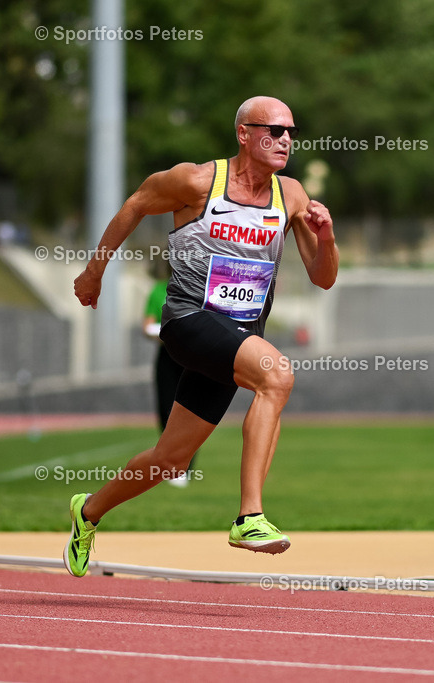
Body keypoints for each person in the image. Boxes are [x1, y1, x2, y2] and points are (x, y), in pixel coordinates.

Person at [66, 96, 338, 577]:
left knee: (170, 460)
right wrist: (94, 272)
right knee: (277, 376)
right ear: (243, 134)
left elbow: (323, 277)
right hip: (189, 320)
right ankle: (249, 517)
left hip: (236, 337)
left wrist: (328, 238)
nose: (284, 140)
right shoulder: (196, 181)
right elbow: (134, 205)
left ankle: (87, 512)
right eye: (273, 131)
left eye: (290, 132)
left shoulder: (291, 196)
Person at [142, 260, 195, 487]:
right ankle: (172, 463)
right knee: (165, 409)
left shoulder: (197, 287)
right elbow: (147, 325)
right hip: (166, 355)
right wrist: (164, 332)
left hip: (192, 357)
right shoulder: (158, 290)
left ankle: (185, 466)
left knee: (192, 410)